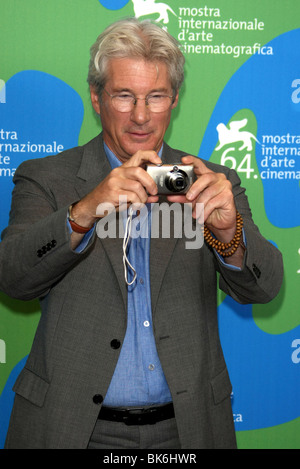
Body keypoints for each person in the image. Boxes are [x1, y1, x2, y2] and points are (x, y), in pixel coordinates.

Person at [0, 18, 283, 449]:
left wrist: (229, 233)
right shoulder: (47, 178)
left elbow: (266, 288)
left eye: (155, 97)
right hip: (73, 427)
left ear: (173, 100)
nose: (140, 115)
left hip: (186, 428)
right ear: (96, 98)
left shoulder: (210, 181)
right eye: (124, 96)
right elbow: (14, 278)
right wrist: (85, 210)